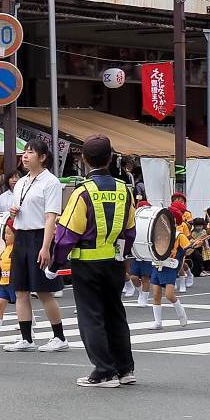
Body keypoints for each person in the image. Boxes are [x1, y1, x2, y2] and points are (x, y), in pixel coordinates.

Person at [55, 134, 136, 387]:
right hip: (114, 262)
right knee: (115, 314)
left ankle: (104, 371)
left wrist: (55, 262)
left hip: (87, 263)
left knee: (91, 316)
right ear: (110, 158)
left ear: (84, 159)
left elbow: (67, 234)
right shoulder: (124, 190)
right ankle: (125, 369)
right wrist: (123, 255)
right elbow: (130, 231)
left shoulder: (83, 192)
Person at [5, 139, 71, 354]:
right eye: (24, 152)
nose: (25, 156)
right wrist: (13, 213)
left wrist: (45, 247)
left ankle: (59, 337)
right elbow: (18, 212)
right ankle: (26, 338)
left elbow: (51, 216)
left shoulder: (50, 182)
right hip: (21, 237)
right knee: (20, 290)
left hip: (40, 236)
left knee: (43, 291)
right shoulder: (21, 182)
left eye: (31, 152)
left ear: (42, 158)